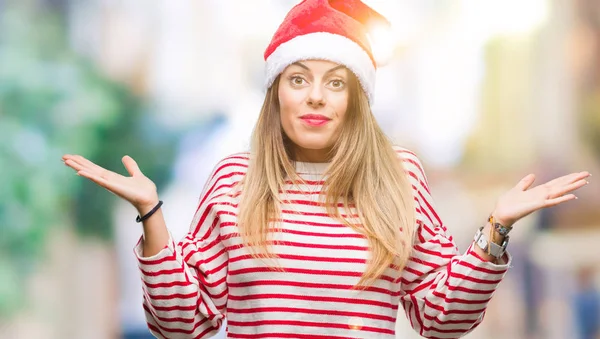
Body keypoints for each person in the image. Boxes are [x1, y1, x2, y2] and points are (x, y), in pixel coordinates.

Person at [62, 0, 592, 337]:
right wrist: (151, 215)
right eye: (298, 79)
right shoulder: (233, 180)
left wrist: (495, 232)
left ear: (356, 99)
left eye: (336, 82)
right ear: (276, 94)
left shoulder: (398, 176)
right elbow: (182, 323)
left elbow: (439, 316)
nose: (316, 97)